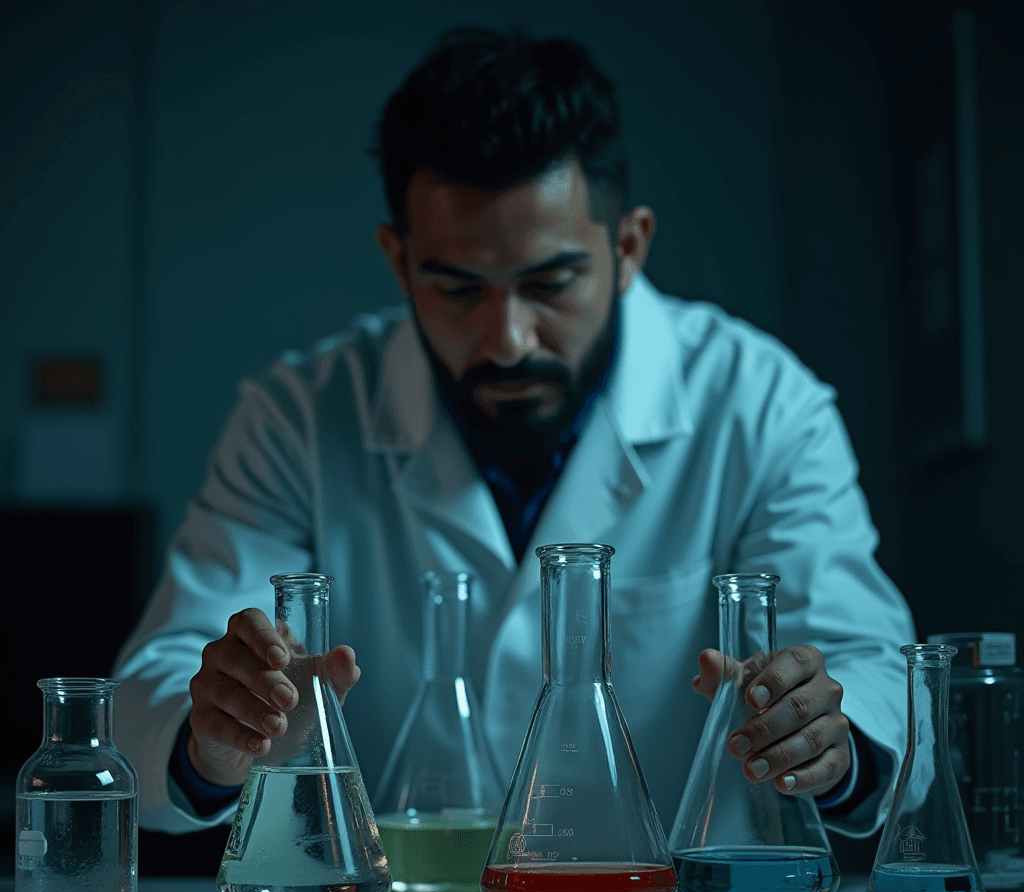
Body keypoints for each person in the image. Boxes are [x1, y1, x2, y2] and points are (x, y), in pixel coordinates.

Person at [113, 27, 913, 837]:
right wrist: (216, 739)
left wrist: (823, 739)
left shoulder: (761, 401)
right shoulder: (296, 417)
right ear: (398, 262)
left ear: (628, 246)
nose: (508, 339)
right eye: (459, 288)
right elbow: (160, 681)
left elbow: (868, 669)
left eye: (550, 283)